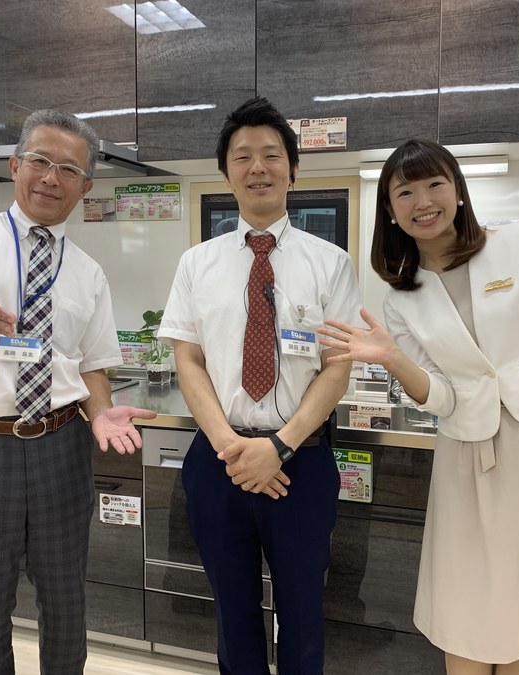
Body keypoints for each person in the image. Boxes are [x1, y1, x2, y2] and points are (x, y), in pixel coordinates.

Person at [318, 139, 519, 674]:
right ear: (389, 210)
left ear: (458, 192)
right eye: (405, 192)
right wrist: (393, 359)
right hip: (469, 454)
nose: (423, 201)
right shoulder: (402, 299)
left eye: (435, 184)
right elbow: (441, 397)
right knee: (466, 602)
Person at [0, 109, 156, 674]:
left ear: (85, 188)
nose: (51, 177)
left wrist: (102, 412)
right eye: (40, 160)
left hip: (60, 448)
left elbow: (93, 365)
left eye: (69, 169)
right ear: (15, 166)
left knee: (65, 603)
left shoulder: (88, 272)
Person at [158, 96, 363, 674]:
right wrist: (231, 447)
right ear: (226, 173)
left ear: (293, 169)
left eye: (271, 155)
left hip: (301, 460)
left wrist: (278, 447)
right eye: (242, 156)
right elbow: (188, 360)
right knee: (232, 613)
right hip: (218, 460)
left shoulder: (332, 263)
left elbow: (337, 367)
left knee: (303, 613)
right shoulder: (196, 263)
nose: (258, 167)